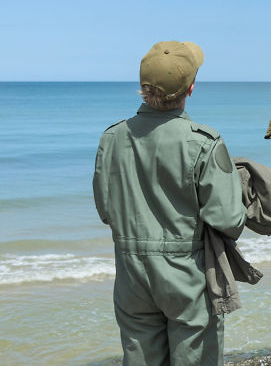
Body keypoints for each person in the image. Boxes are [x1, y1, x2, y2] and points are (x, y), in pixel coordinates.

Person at [93, 41, 246, 365]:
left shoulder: (112, 138)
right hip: (186, 271)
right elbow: (229, 220)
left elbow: (106, 210)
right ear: (190, 89)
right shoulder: (203, 141)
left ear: (143, 88)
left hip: (131, 270)